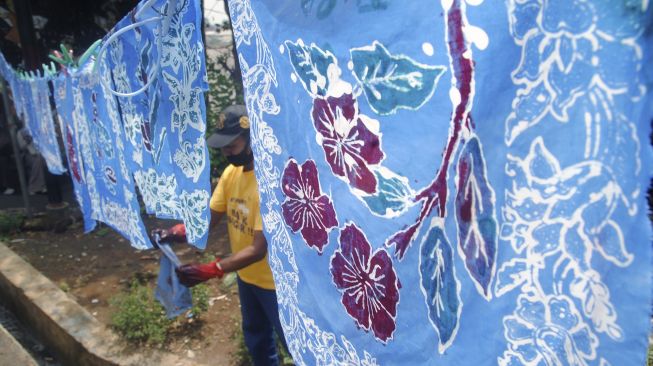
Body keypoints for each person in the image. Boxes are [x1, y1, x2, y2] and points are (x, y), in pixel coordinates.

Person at [154, 105, 288, 366]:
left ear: (251, 139)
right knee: (257, 340)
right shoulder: (231, 174)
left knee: (291, 342)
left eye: (232, 145)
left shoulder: (270, 182)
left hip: (274, 284)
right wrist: (175, 233)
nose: (226, 151)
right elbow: (208, 220)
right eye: (222, 146)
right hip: (247, 278)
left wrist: (212, 269)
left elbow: (258, 249)